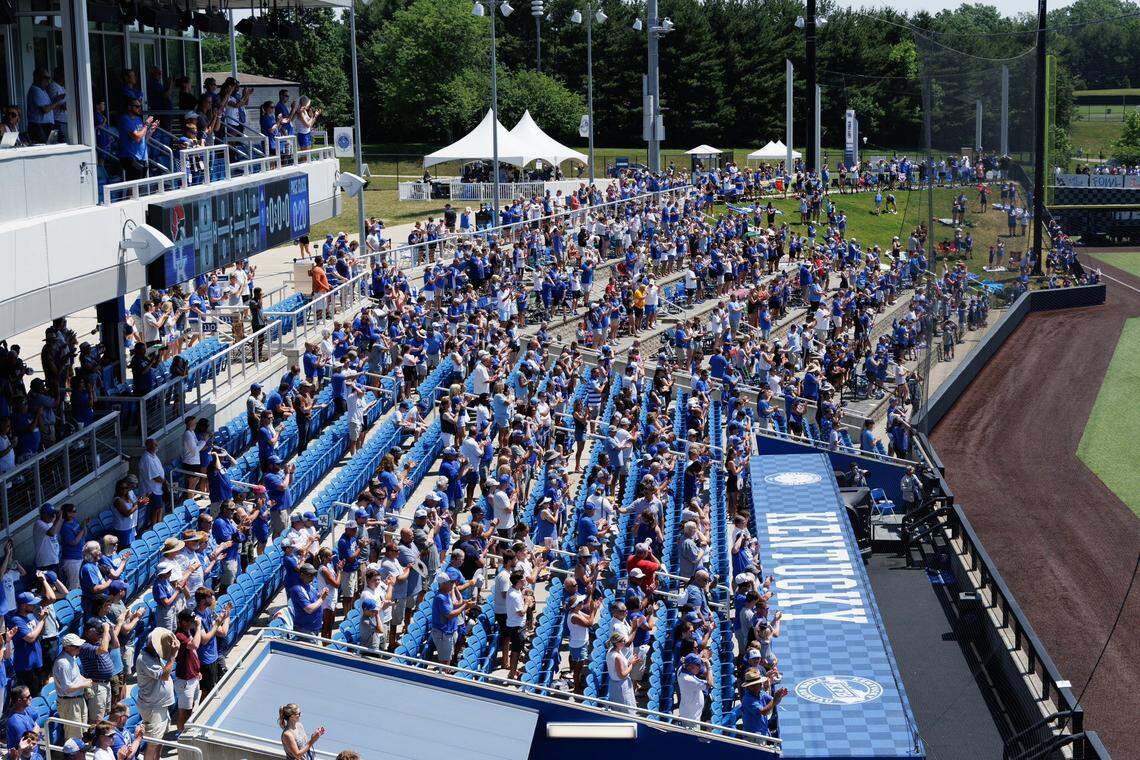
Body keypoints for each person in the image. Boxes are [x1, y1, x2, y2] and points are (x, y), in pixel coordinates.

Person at [135, 627, 178, 760]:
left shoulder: (153, 655)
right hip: (153, 707)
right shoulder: (144, 659)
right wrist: (172, 657)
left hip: (160, 705)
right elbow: (164, 675)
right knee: (153, 743)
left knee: (160, 740)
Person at [54, 633, 92, 740]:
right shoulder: (63, 663)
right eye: (76, 646)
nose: (79, 648)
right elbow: (67, 688)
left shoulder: (71, 658)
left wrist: (85, 680)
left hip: (78, 700)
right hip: (69, 702)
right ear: (67, 647)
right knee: (73, 734)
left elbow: (76, 676)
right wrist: (84, 684)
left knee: (81, 731)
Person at [605, 631, 639, 712]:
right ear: (617, 643)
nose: (624, 642)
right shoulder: (617, 657)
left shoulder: (611, 650)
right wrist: (632, 664)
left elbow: (621, 666)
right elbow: (622, 675)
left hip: (615, 685)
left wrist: (630, 661)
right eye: (622, 641)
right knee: (626, 710)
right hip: (621, 687)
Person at [677, 651, 713, 724]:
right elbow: (709, 683)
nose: (700, 668)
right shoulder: (688, 679)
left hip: (688, 711)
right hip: (691, 718)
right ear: (690, 667)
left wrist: (700, 656)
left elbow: (684, 660)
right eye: (698, 666)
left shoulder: (682, 668)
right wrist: (709, 667)